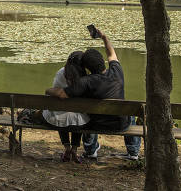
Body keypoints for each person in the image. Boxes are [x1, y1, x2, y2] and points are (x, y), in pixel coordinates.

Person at [45, 28, 141, 160]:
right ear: (102, 61)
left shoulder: (85, 82)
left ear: (87, 68)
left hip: (97, 123)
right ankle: (133, 152)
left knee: (87, 115)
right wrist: (104, 37)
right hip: (121, 124)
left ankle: (91, 150)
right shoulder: (117, 71)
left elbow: (61, 94)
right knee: (130, 115)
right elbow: (111, 53)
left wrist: (48, 90)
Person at [42, 51, 90, 162]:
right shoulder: (87, 76)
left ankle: (67, 148)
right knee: (78, 116)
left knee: (60, 112)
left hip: (57, 118)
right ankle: (74, 149)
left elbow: (53, 94)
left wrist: (48, 90)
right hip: (79, 119)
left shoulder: (61, 73)